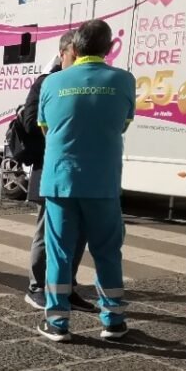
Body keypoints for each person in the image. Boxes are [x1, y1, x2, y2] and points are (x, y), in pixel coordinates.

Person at [36, 19, 138, 343]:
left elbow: (44, 128)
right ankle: (113, 321)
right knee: (108, 252)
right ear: (108, 49)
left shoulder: (52, 83)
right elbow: (123, 125)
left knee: (60, 254)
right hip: (103, 181)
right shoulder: (124, 80)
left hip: (60, 180)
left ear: (74, 48)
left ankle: (57, 322)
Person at [17, 34, 93, 313]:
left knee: (79, 233)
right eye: (77, 56)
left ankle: (67, 287)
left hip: (83, 171)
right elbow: (29, 120)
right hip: (51, 168)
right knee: (48, 231)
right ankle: (36, 286)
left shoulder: (89, 83)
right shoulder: (47, 82)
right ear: (65, 53)